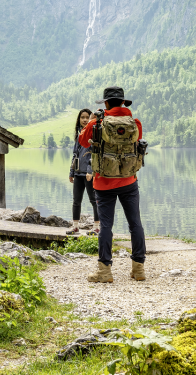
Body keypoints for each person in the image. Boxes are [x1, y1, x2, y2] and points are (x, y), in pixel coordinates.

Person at [77, 87, 146, 283]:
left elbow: (83, 141)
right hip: (129, 181)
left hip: (103, 182)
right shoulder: (135, 123)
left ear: (105, 104)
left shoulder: (97, 124)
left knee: (106, 225)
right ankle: (138, 269)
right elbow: (137, 142)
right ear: (123, 103)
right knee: (135, 224)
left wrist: (91, 120)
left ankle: (105, 271)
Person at [68, 109, 100, 236]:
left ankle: (97, 227)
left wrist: (90, 170)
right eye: (82, 117)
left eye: (87, 117)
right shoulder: (78, 134)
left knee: (94, 200)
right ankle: (75, 226)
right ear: (79, 119)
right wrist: (71, 172)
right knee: (76, 200)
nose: (85, 120)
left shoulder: (93, 133)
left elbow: (94, 154)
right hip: (78, 173)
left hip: (88, 174)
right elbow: (75, 154)